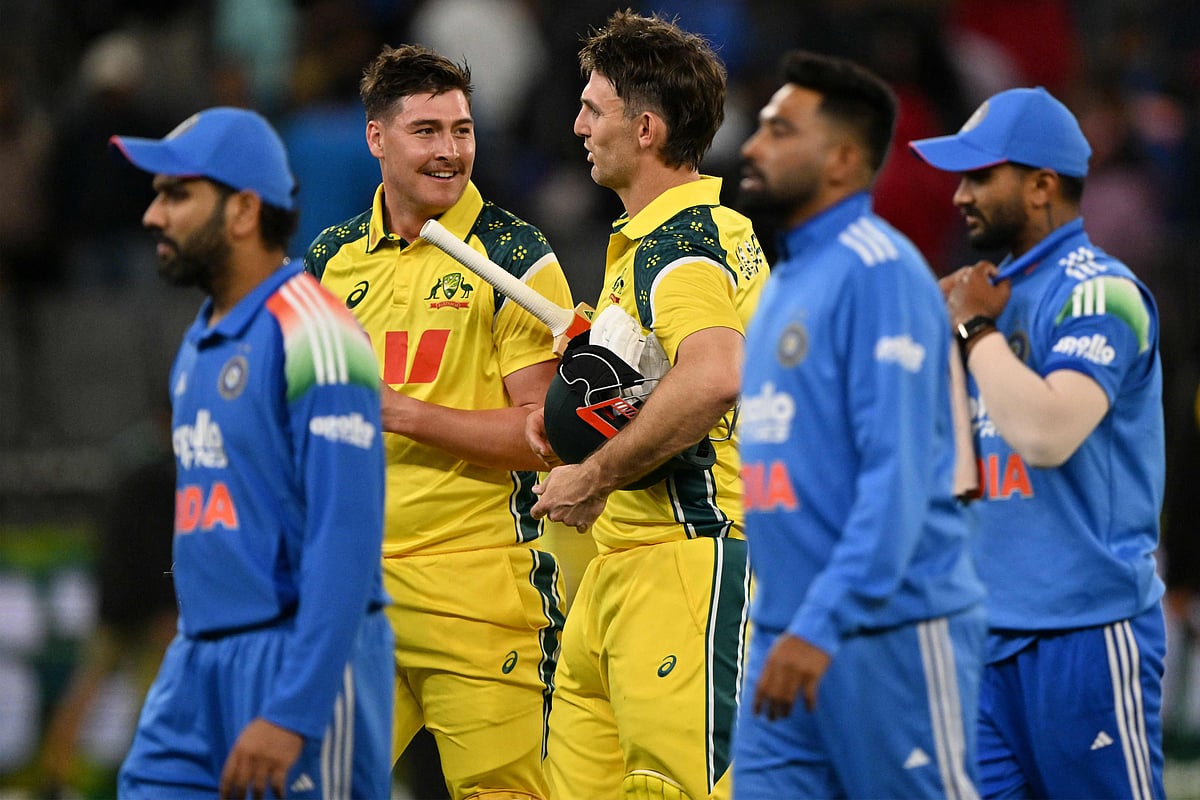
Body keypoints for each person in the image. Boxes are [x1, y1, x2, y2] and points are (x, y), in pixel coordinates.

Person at [302, 44, 571, 800]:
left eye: (462, 129)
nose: (451, 150)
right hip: (355, 594)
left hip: (479, 594)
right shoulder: (330, 260)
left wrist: (396, 411)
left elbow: (541, 438)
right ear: (376, 138)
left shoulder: (515, 254)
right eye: (427, 131)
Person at [110, 106, 393, 799]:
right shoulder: (199, 341)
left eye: (176, 194)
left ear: (241, 211)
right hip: (198, 664)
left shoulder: (314, 333)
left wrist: (293, 709)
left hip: (297, 663)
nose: (154, 215)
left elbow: (346, 539)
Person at [526, 12, 769, 799]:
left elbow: (713, 376)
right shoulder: (674, 236)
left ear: (649, 128)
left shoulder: (679, 246)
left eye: (594, 109)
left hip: (685, 565)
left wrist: (592, 475)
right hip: (623, 571)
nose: (579, 125)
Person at [731, 50, 986, 799]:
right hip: (786, 636)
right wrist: (790, 625)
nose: (752, 144)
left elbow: (898, 477)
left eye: (780, 130)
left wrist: (822, 622)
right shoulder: (786, 281)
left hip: (889, 635)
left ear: (843, 159)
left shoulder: (881, 270)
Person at [911, 86, 1167, 798]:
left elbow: (1047, 433)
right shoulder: (975, 294)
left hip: (1085, 634)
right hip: (982, 637)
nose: (959, 196)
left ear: (1041, 185)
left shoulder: (1102, 291)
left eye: (979, 176)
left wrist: (972, 333)